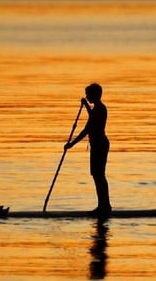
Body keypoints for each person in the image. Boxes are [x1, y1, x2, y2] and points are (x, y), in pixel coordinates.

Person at [64, 83, 112, 215]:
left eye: (88, 94)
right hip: (97, 145)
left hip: (100, 145)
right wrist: (86, 106)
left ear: (95, 95)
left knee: (99, 175)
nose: (87, 96)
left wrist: (71, 144)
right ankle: (103, 205)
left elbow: (87, 129)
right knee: (97, 175)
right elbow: (91, 120)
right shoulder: (98, 108)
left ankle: (105, 206)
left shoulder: (100, 109)